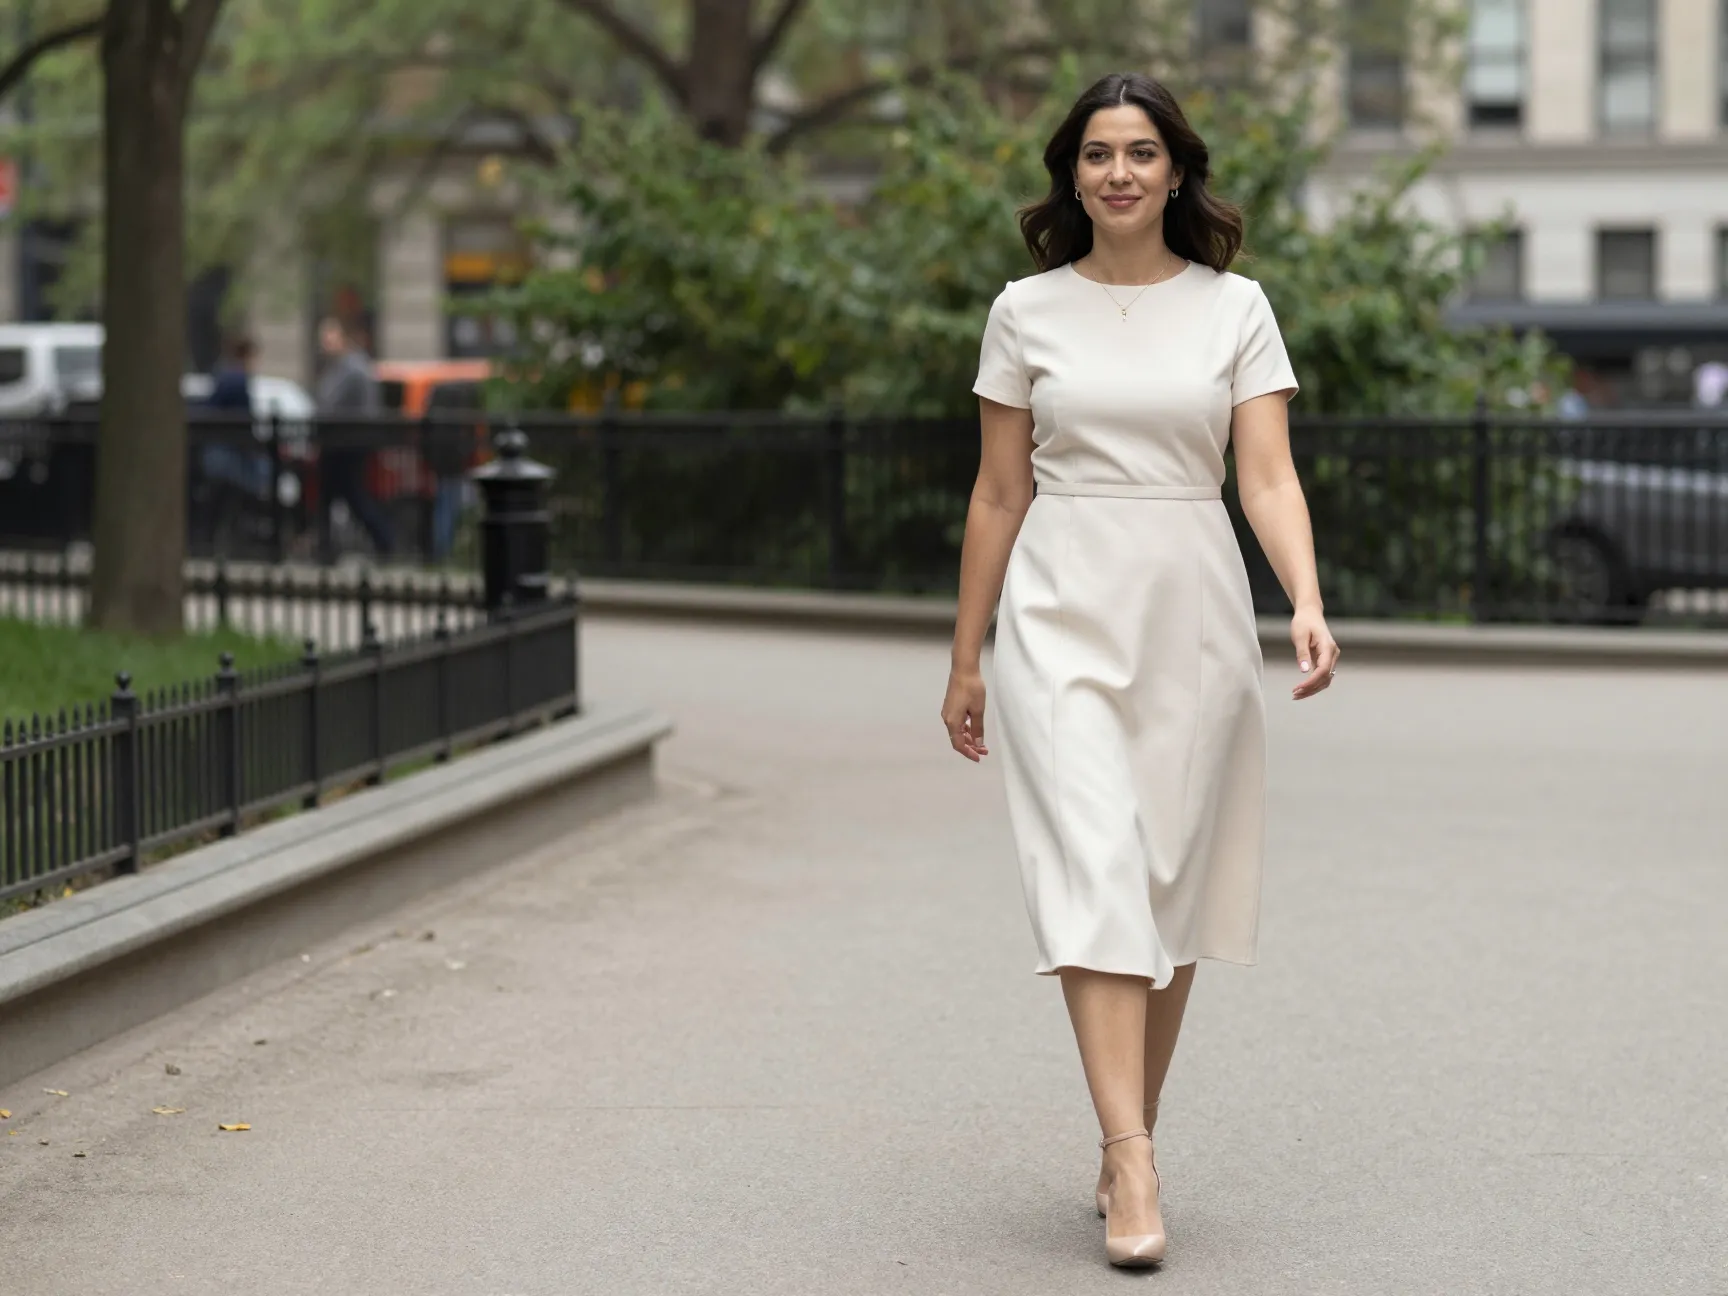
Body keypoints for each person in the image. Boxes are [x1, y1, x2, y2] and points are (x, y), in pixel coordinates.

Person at [941, 73, 1341, 1270]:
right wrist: (967, 655)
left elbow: (1264, 476)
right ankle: (1131, 1158)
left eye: (1143, 152)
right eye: (1099, 153)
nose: (1120, 172)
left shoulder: (1238, 308)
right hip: (1059, 608)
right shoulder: (1024, 311)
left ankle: (1131, 1128)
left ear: (1176, 172)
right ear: (1073, 172)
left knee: (1164, 886)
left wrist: (1307, 600)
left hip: (1195, 610)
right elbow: (999, 491)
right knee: (1096, 870)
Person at [314, 316, 395, 557]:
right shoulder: (345, 367)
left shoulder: (351, 369)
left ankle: (383, 541)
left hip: (346, 443)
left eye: (329, 337)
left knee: (351, 495)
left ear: (343, 338)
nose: (324, 343)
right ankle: (328, 547)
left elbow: (327, 405)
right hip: (342, 442)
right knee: (336, 495)